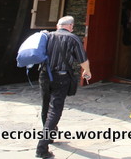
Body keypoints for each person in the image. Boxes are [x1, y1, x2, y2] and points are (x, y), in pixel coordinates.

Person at [36, 16, 92, 159]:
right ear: (71, 26)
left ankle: (49, 137)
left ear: (58, 25)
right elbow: (82, 59)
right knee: (55, 109)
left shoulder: (47, 36)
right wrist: (87, 71)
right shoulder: (73, 38)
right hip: (61, 77)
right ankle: (42, 147)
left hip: (44, 75)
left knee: (45, 106)